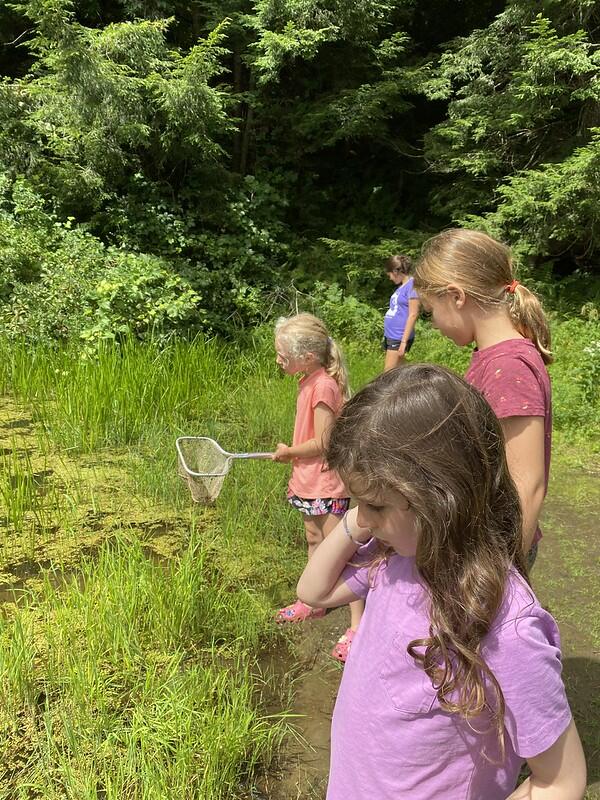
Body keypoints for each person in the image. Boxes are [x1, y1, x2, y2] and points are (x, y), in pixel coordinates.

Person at [297, 365, 586, 800]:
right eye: (357, 504)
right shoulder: (397, 561)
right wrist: (361, 520)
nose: (364, 519)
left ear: (441, 498)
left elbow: (561, 779)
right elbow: (313, 592)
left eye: (374, 505)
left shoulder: (502, 621)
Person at [413, 229, 552, 563]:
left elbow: (528, 484)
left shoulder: (508, 366)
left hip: (497, 551)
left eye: (432, 311)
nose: (433, 324)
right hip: (483, 540)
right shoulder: (493, 357)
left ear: (456, 296)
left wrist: (503, 573)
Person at [272, 313, 364, 662]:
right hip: (307, 481)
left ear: (307, 357)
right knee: (314, 540)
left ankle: (358, 625)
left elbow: (325, 442)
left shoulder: (324, 385)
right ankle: (313, 602)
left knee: (345, 551)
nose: (278, 359)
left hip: (327, 482)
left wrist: (289, 452)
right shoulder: (307, 380)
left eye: (283, 353)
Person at [382, 254, 420, 371]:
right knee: (400, 371)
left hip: (398, 337)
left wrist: (403, 342)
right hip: (392, 335)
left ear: (395, 271)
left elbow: (413, 314)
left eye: (390, 275)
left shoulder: (412, 285)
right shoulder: (402, 287)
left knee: (387, 375)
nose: (390, 278)